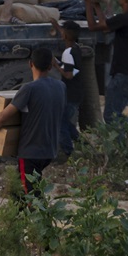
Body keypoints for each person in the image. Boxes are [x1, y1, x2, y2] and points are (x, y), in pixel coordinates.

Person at [0, 46, 66, 197]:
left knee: (32, 196)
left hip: (31, 153)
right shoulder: (61, 86)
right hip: (49, 151)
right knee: (18, 193)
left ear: (30, 64)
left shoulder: (29, 89)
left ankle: (42, 220)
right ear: (51, 66)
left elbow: (1, 118)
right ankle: (16, 219)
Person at [81, 0, 128, 132]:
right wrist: (97, 7)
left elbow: (93, 27)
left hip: (124, 75)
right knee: (114, 114)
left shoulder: (124, 18)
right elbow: (106, 28)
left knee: (111, 116)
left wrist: (87, 2)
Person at [58, 20, 84, 157]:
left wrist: (55, 66)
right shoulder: (76, 48)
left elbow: (68, 75)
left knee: (61, 124)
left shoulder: (68, 52)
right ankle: (83, 144)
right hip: (76, 93)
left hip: (70, 94)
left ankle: (68, 151)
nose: (60, 33)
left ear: (66, 36)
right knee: (67, 123)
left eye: (62, 31)